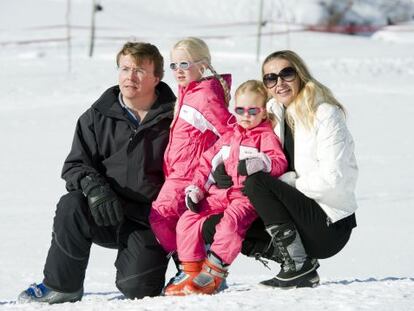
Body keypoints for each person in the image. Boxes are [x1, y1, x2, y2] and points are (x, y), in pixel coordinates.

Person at [17, 41, 176, 304]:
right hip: (105, 209)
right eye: (124, 68)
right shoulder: (95, 116)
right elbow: (75, 165)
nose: (130, 76)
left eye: (139, 70)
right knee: (71, 205)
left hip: (149, 220)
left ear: (156, 77)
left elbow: (188, 171)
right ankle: (62, 286)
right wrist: (95, 189)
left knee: (139, 289)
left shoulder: (176, 119)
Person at [203, 50, 358, 289]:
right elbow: (242, 137)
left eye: (286, 73)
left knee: (257, 182)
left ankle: (298, 265)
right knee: (217, 225)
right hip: (294, 216)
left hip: (328, 222)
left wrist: (285, 183)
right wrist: (226, 170)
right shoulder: (273, 111)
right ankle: (300, 263)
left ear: (300, 74)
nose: (279, 83)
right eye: (271, 78)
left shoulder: (325, 113)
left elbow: (332, 180)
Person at [164, 80, 288, 296]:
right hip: (218, 195)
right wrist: (196, 189)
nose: (246, 115)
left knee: (230, 223)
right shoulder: (228, 136)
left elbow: (278, 161)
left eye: (253, 110)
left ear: (263, 113)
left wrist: (260, 163)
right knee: (187, 220)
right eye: (240, 109)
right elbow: (206, 163)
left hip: (244, 197)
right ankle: (191, 270)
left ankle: (214, 271)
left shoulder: (265, 136)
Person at [149, 37, 234, 258]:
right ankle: (193, 263)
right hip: (178, 173)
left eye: (184, 64)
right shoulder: (188, 94)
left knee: (161, 216)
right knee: (180, 221)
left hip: (191, 174)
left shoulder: (204, 96)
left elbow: (231, 133)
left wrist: (215, 164)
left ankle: (192, 263)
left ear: (203, 65)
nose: (178, 70)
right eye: (174, 65)